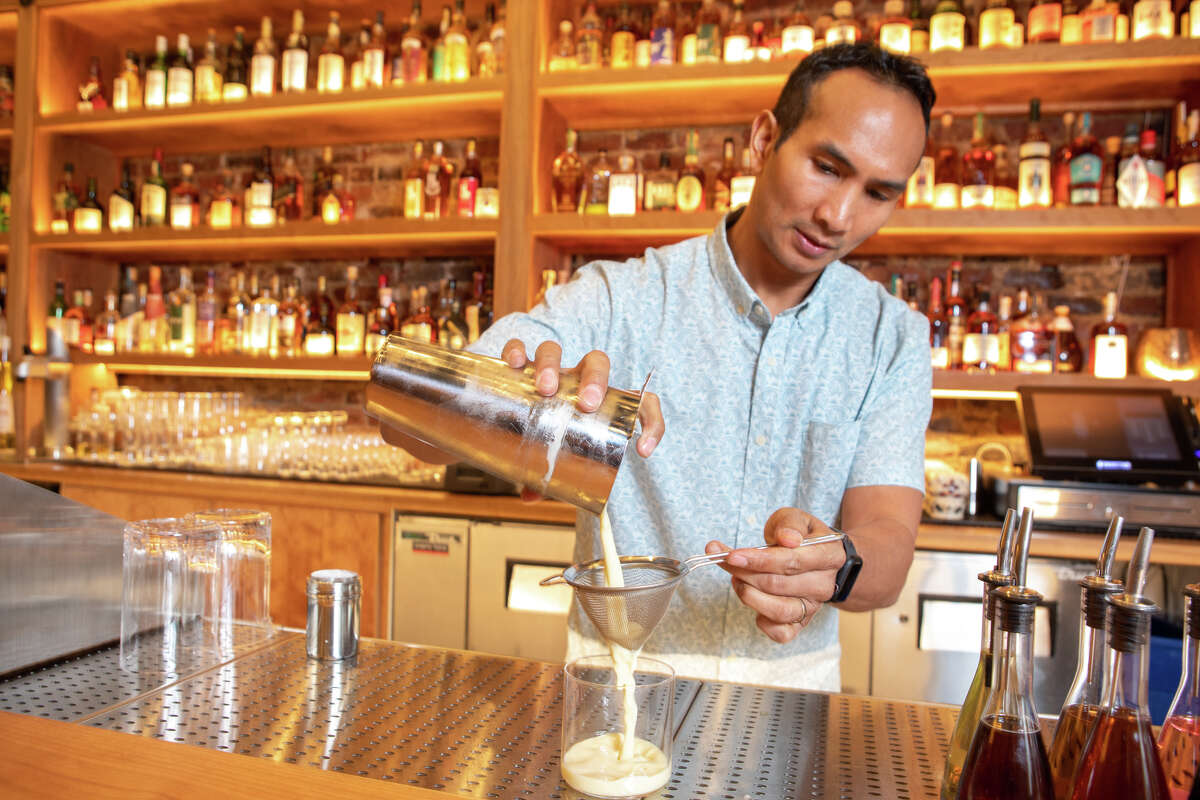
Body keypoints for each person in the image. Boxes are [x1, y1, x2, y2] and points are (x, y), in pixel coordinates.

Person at [383, 43, 936, 691]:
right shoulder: (620, 297)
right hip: (618, 683)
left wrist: (834, 564)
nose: (838, 216)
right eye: (825, 167)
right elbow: (410, 426)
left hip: (796, 689)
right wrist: (530, 403)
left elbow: (889, 546)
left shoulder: (890, 336)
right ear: (764, 140)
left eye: (878, 193)